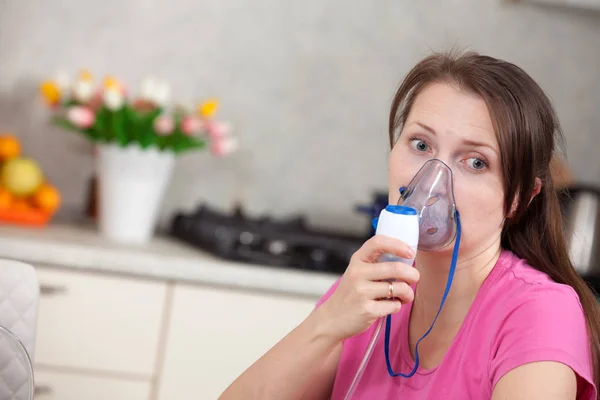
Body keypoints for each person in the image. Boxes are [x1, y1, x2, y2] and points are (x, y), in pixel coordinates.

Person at [218, 50, 600, 399]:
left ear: (519, 197)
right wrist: (327, 323)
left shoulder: (539, 312)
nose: (433, 181)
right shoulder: (364, 295)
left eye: (476, 162)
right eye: (421, 145)